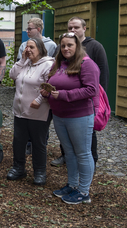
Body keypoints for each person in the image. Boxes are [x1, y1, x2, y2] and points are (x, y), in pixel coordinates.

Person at [40, 32, 100, 204]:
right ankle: (72, 185)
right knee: (70, 153)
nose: (66, 48)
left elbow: (91, 90)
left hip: (79, 116)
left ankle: (84, 191)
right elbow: (54, 85)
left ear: (77, 46)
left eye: (70, 45)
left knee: (82, 153)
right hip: (60, 115)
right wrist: (47, 93)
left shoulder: (87, 64)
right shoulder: (60, 63)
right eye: (63, 45)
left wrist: (64, 95)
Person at [51, 16, 109, 167]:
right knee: (66, 134)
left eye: (76, 27)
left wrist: (99, 98)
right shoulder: (61, 48)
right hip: (63, 103)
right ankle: (66, 156)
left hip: (85, 102)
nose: (73, 30)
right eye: (70, 28)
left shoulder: (95, 46)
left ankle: (92, 160)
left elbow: (102, 71)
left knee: (88, 134)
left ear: (84, 28)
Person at [7, 38, 54, 186]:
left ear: (40, 49)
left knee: (38, 143)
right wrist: (22, 60)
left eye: (32, 47)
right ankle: (18, 168)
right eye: (27, 47)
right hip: (20, 111)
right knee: (18, 141)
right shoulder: (25, 63)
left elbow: (50, 85)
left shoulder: (48, 65)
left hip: (38, 111)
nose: (28, 50)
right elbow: (12, 75)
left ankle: (40, 172)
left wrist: (39, 100)